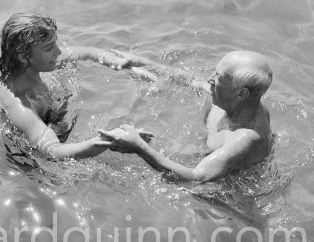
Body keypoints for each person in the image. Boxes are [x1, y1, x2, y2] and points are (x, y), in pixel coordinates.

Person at [100, 50, 273, 182]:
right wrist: (142, 62)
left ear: (241, 93)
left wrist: (139, 147)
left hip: (224, 191)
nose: (209, 79)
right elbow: (194, 82)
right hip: (208, 154)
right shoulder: (239, 102)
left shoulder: (244, 140)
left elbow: (194, 179)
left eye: (218, 77)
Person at [0, 12, 152, 159]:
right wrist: (108, 139)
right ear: (23, 57)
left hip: (54, 120)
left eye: (55, 44)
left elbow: (86, 53)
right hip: (31, 160)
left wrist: (116, 63)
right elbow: (53, 151)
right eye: (49, 47)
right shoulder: (19, 104)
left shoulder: (36, 64)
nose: (58, 51)